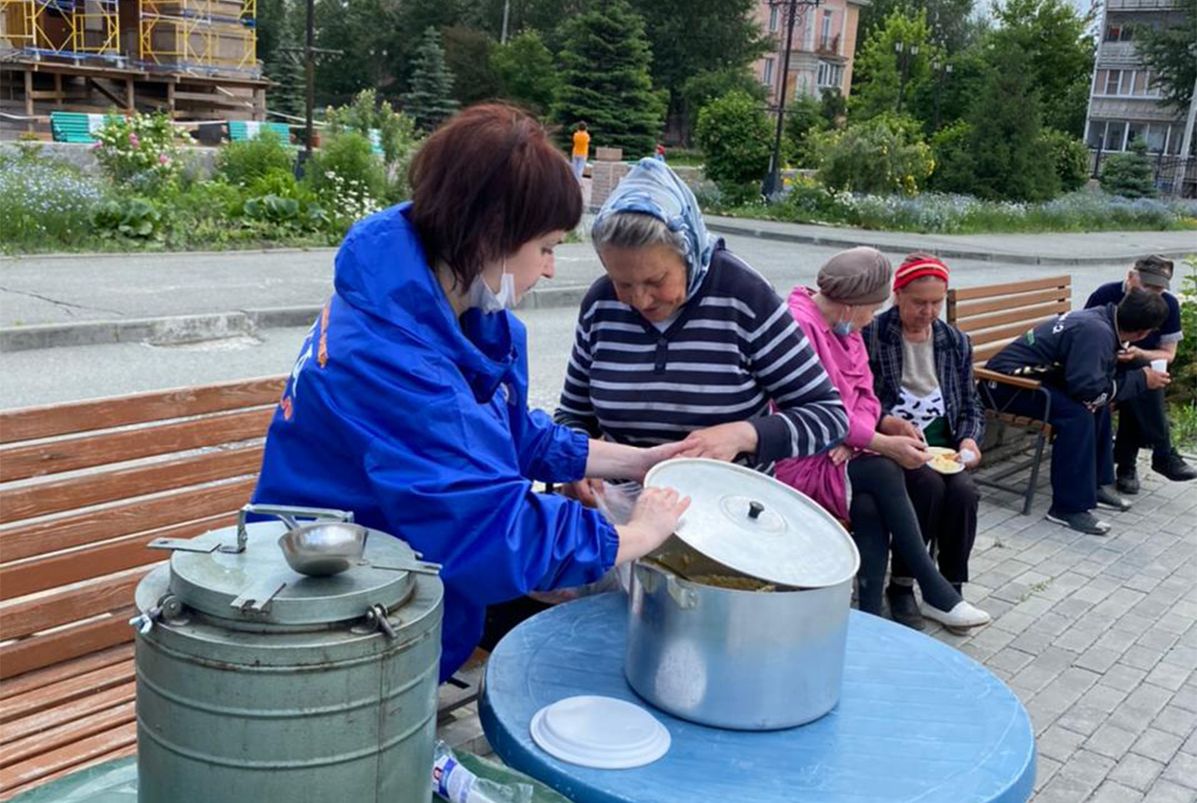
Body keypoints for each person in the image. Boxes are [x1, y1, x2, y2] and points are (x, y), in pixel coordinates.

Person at [251, 105, 690, 683]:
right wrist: (634, 535)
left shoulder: (429, 305)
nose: (553, 269)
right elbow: (488, 529)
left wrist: (638, 460)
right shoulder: (391, 356)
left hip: (387, 599)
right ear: (490, 237)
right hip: (334, 632)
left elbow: (502, 431)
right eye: (547, 246)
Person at [553, 158, 848, 496]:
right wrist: (578, 461)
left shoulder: (744, 297)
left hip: (729, 508)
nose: (640, 299)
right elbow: (574, 415)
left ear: (688, 252)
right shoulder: (600, 304)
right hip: (626, 507)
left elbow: (829, 417)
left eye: (656, 280)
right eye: (623, 282)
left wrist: (744, 435)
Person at [774, 248, 990, 630]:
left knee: (875, 502)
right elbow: (821, 410)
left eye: (936, 303)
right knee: (887, 469)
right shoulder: (802, 327)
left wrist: (866, 435)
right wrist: (874, 440)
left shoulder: (848, 329)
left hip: (843, 453)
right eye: (869, 310)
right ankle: (931, 589)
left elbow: (865, 398)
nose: (870, 319)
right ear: (848, 306)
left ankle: (871, 614)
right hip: (802, 455)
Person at [862, 254, 984, 630]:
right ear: (897, 295)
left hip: (943, 447)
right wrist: (887, 422)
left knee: (965, 493)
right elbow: (861, 398)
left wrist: (970, 438)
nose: (929, 311)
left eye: (937, 302)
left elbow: (969, 403)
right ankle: (902, 584)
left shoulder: (953, 341)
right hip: (891, 445)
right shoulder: (874, 334)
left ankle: (950, 585)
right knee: (927, 486)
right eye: (919, 302)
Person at [984, 288, 1170, 535]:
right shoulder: (1096, 332)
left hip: (1036, 379)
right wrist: (1139, 381)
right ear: (1142, 333)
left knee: (1096, 407)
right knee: (1077, 415)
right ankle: (1067, 508)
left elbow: (1090, 385)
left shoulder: (1103, 319)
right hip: (1005, 386)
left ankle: (1095, 486)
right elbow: (1088, 390)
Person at [1084, 255, 1195, 493]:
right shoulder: (1106, 294)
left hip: (1137, 363)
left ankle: (1129, 465)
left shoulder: (1169, 305)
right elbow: (1086, 335)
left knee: (1142, 377)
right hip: (1100, 366)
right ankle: (1158, 455)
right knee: (1142, 381)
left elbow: (1168, 355)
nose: (1154, 293)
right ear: (1131, 276)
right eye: (1147, 286)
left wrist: (1139, 353)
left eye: (1159, 288)